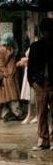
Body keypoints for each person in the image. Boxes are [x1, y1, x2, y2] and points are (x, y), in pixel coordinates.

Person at [27, 18, 53, 150]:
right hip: (40, 85)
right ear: (43, 32)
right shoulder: (35, 47)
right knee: (41, 114)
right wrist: (33, 83)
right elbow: (30, 67)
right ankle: (44, 140)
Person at [0, 32, 23, 121]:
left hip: (11, 75)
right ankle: (15, 113)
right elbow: (0, 64)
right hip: (5, 76)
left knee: (9, 96)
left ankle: (7, 114)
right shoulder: (0, 50)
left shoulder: (11, 48)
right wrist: (6, 73)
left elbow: (17, 50)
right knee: (10, 97)